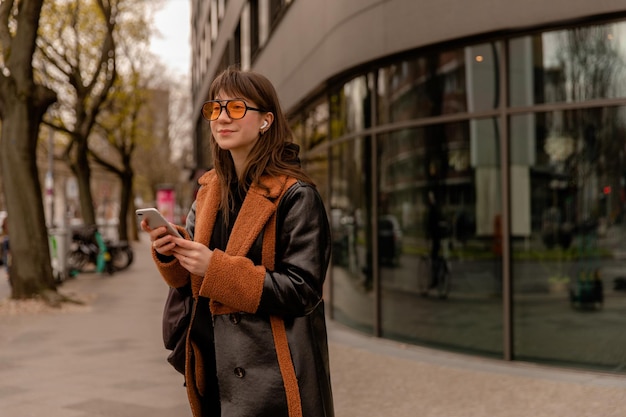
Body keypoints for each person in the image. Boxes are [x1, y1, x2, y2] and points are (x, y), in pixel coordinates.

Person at [141, 67, 334, 417]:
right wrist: (173, 251)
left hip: (271, 377)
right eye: (215, 109)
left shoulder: (296, 196)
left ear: (266, 121)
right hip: (215, 371)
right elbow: (194, 283)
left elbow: (303, 290)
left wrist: (214, 268)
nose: (222, 118)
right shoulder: (209, 192)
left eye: (237, 108)